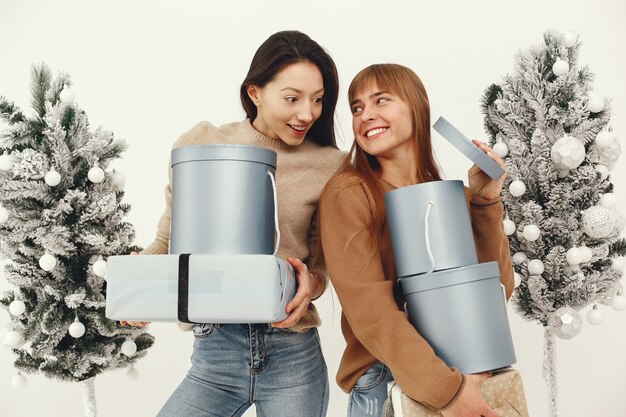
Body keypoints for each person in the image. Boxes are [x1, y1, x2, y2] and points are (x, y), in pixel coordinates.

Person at [121, 30, 345, 417]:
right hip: (215, 353)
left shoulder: (332, 165)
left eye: (318, 99)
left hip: (291, 353)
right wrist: (138, 286)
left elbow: (323, 263)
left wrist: (312, 282)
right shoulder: (202, 143)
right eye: (292, 98)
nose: (307, 113)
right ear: (255, 92)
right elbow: (167, 239)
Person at [317, 63, 514, 417]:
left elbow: (497, 292)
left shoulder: (446, 195)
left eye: (381, 101)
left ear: (417, 106)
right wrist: (447, 391)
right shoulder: (350, 192)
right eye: (357, 107)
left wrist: (485, 203)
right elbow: (372, 314)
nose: (366, 115)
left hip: (463, 371)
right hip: (391, 383)